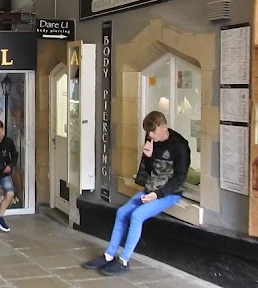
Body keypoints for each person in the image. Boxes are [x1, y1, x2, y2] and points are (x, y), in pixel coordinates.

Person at [81, 111, 190, 276]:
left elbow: (180, 178)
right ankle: (109, 256)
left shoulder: (180, 146)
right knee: (122, 212)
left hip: (169, 193)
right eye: (148, 133)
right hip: (151, 189)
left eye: (153, 131)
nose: (150, 135)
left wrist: (158, 195)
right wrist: (148, 156)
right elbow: (151, 170)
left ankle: (124, 261)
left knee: (137, 216)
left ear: (163, 127)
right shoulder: (152, 140)